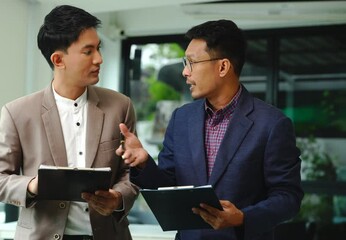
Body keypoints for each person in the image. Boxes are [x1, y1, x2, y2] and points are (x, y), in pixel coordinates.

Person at [117, 19, 303, 240]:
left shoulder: (272, 124)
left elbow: (288, 197)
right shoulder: (182, 119)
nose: (185, 72)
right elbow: (168, 187)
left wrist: (242, 217)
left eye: (191, 62)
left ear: (223, 66)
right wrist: (144, 163)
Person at [0, 5, 138, 240]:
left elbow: (130, 174)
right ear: (58, 59)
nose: (99, 59)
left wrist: (117, 198)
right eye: (88, 51)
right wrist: (32, 185)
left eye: (98, 48)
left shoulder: (120, 106)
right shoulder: (17, 112)